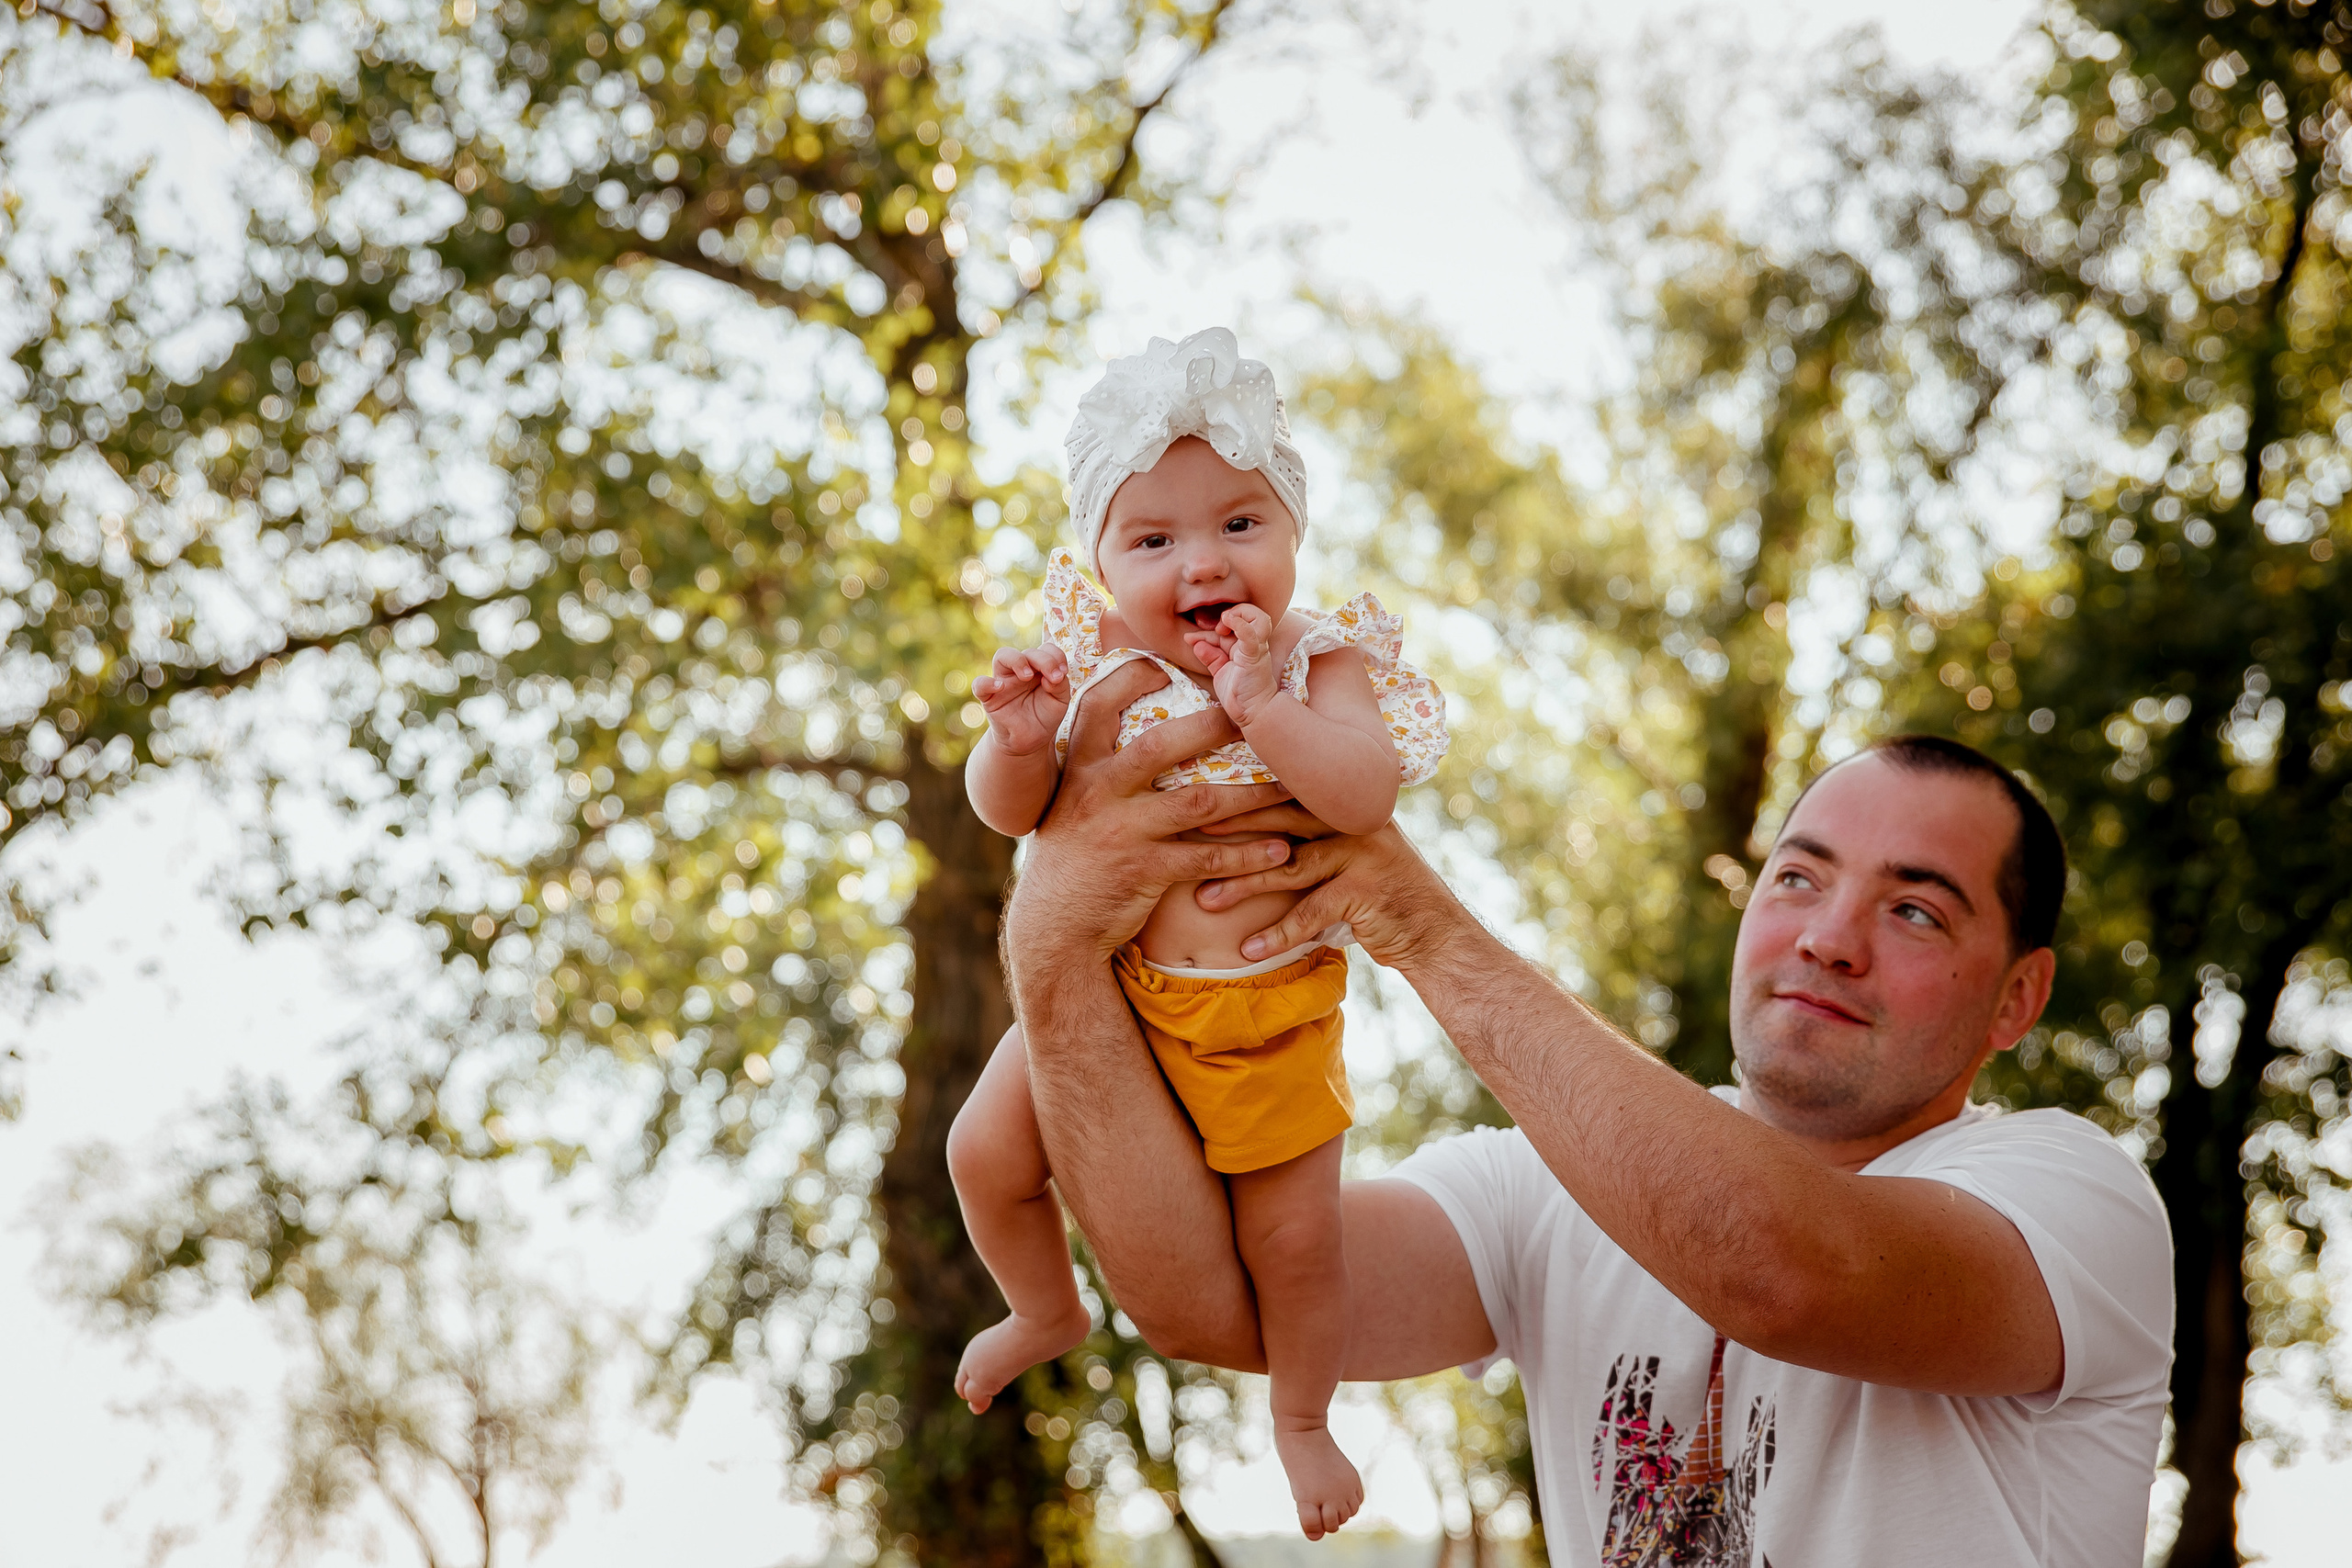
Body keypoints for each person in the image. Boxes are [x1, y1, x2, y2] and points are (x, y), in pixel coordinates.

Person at [1005, 705, 2175, 1567]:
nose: (1828, 937)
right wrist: (1057, 943)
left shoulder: (2072, 1202)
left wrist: (1418, 921)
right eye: (1796, 879)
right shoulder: (1539, 1189)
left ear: (2018, 999)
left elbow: (1783, 1271)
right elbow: (1204, 1299)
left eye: (1913, 909)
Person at [944, 328, 1448, 1537]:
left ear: (1292, 535)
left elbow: (1362, 791)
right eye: (1153, 539)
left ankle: (1301, 1418)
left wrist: (1264, 706)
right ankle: (1045, 1306)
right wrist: (1016, 743)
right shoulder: (1098, 671)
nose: (1203, 562)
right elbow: (1020, 820)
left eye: (1239, 523)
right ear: (1103, 562)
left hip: (1264, 1013)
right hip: (1113, 993)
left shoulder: (1318, 663)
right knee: (980, 1151)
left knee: (1295, 1239)